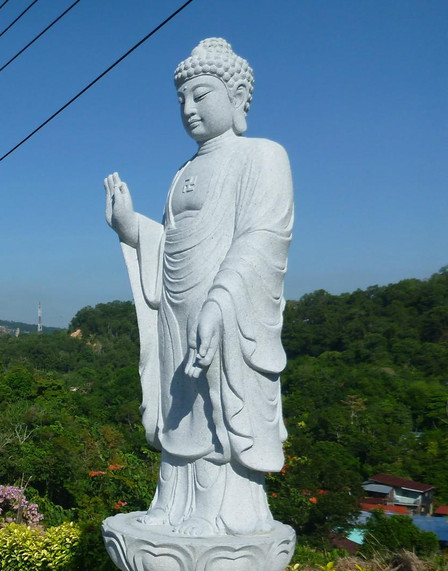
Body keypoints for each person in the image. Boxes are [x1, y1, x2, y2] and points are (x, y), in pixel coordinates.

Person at [103, 38, 292, 536]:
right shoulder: (182, 172)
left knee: (215, 409)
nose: (188, 109)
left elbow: (262, 237)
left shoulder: (262, 157)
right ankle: (172, 501)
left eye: (201, 95)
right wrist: (132, 228)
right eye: (182, 99)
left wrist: (219, 302)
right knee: (177, 406)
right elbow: (171, 241)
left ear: (235, 96)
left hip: (225, 308)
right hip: (176, 306)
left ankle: (218, 511)